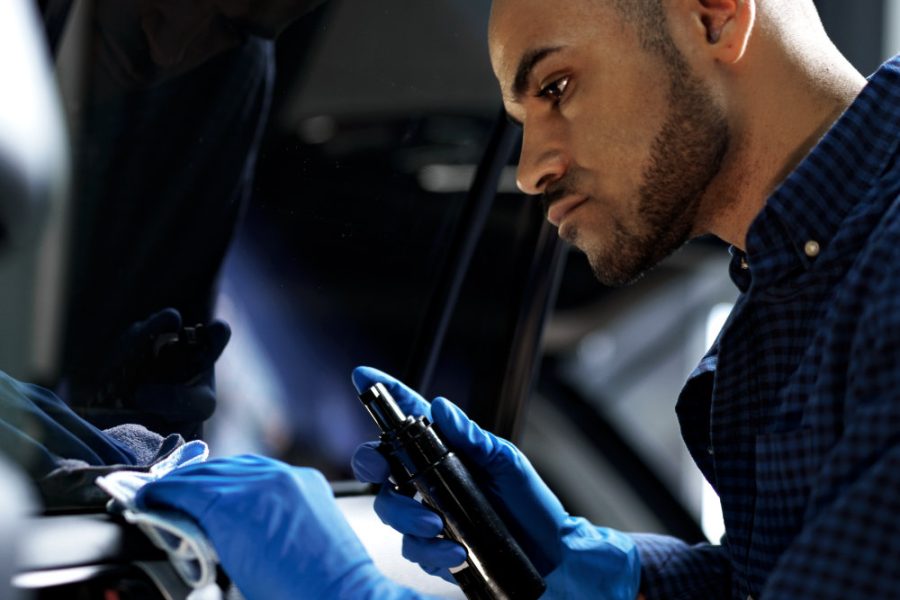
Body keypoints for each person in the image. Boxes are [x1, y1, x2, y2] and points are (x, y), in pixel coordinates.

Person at [136, 0, 900, 598]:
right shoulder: (797, 291)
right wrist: (620, 575)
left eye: (556, 86)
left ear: (713, 12)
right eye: (520, 117)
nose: (531, 171)